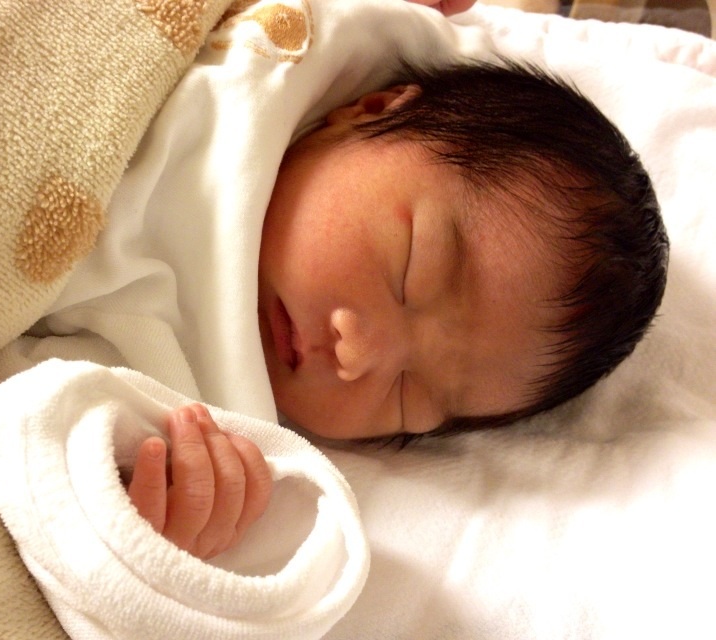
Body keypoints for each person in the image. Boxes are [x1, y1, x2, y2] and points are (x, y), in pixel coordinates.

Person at [126, 61, 669, 560]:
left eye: (408, 396)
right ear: (374, 108)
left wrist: (152, 533)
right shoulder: (263, 66)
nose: (356, 355)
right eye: (410, 270)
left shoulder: (206, 426)